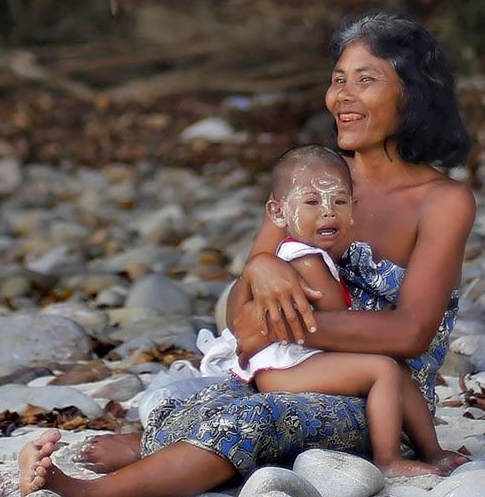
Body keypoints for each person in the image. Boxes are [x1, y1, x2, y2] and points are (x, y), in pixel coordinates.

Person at [12, 8, 475, 497]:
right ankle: (143, 454)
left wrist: (283, 324)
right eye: (338, 79)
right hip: (295, 370)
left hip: (385, 399)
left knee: (254, 418)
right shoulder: (311, 180)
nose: (343, 95)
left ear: (412, 94)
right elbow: (239, 316)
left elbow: (409, 334)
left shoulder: (441, 201)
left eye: (366, 80)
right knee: (205, 401)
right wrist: (256, 270)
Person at [194, 143, 460, 476]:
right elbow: (337, 320)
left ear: (353, 208)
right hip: (284, 369)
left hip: (296, 359)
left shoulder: (307, 254)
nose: (328, 212)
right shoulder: (305, 260)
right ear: (278, 213)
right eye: (311, 203)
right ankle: (389, 460)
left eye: (339, 202)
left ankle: (432, 451)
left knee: (397, 372)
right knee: (384, 371)